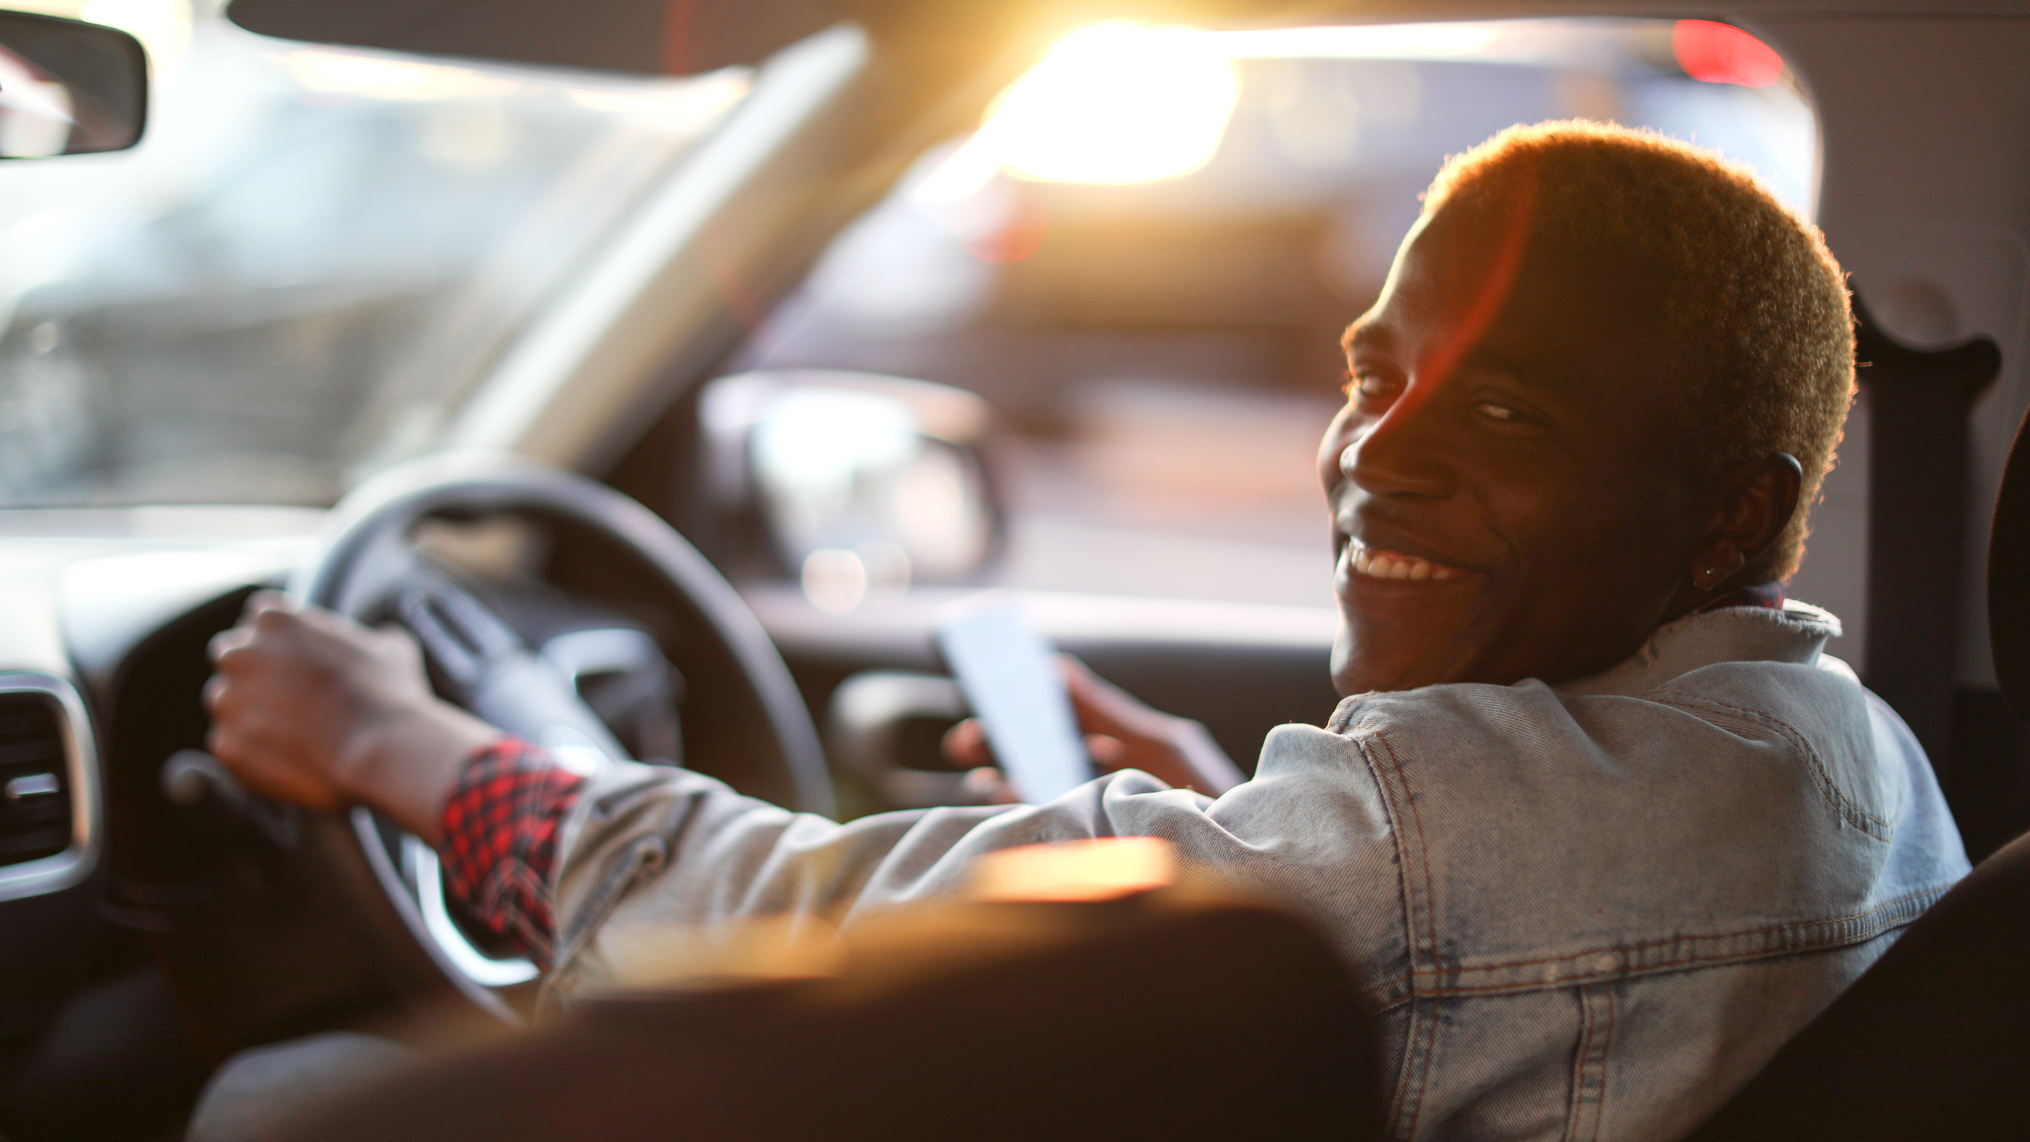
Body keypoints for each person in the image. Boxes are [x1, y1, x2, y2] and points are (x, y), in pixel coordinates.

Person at [203, 121, 1970, 1140]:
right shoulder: (1848, 750)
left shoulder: (1456, 822)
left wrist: (406, 747)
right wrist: (1220, 806)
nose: (1377, 452)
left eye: (1506, 414)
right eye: (1374, 372)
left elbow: (821, 939)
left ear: (1731, 513)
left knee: (278, 1101)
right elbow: (1454, 914)